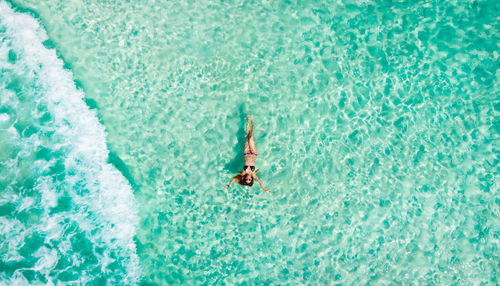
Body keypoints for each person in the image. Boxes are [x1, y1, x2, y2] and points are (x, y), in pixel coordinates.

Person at [223, 114, 270, 193]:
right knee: (251, 138)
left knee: (247, 136)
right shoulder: (253, 174)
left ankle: (248, 120)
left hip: (246, 153)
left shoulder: (243, 173)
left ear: (245, 179)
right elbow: (260, 182)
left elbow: (234, 179)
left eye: (247, 179)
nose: (249, 179)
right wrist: (264, 190)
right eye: (250, 180)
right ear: (251, 179)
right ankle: (253, 125)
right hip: (254, 153)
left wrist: (228, 185)